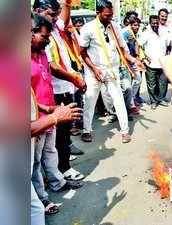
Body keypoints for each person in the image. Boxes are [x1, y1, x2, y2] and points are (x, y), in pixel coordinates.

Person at [31, 13, 84, 217]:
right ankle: (41, 199)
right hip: (35, 118)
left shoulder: (42, 53)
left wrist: (72, 78)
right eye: (44, 37)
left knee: (50, 152)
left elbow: (51, 69)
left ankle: (57, 183)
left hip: (50, 110)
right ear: (30, 33)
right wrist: (46, 110)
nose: (47, 41)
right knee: (34, 163)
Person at [79, 0, 139, 143]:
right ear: (98, 13)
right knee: (90, 100)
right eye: (106, 16)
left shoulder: (115, 27)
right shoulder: (88, 28)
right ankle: (87, 130)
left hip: (112, 70)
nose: (109, 18)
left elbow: (123, 49)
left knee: (118, 100)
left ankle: (125, 132)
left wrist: (133, 60)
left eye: (111, 15)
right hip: (94, 71)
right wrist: (94, 69)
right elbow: (81, 52)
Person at [138, 15, 168, 109]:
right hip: (151, 64)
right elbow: (138, 45)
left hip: (162, 63)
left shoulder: (163, 32)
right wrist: (143, 57)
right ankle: (153, 101)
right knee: (152, 84)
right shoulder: (146, 33)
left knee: (163, 83)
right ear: (150, 23)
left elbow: (168, 44)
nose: (155, 24)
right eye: (153, 23)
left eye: (156, 22)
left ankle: (161, 99)